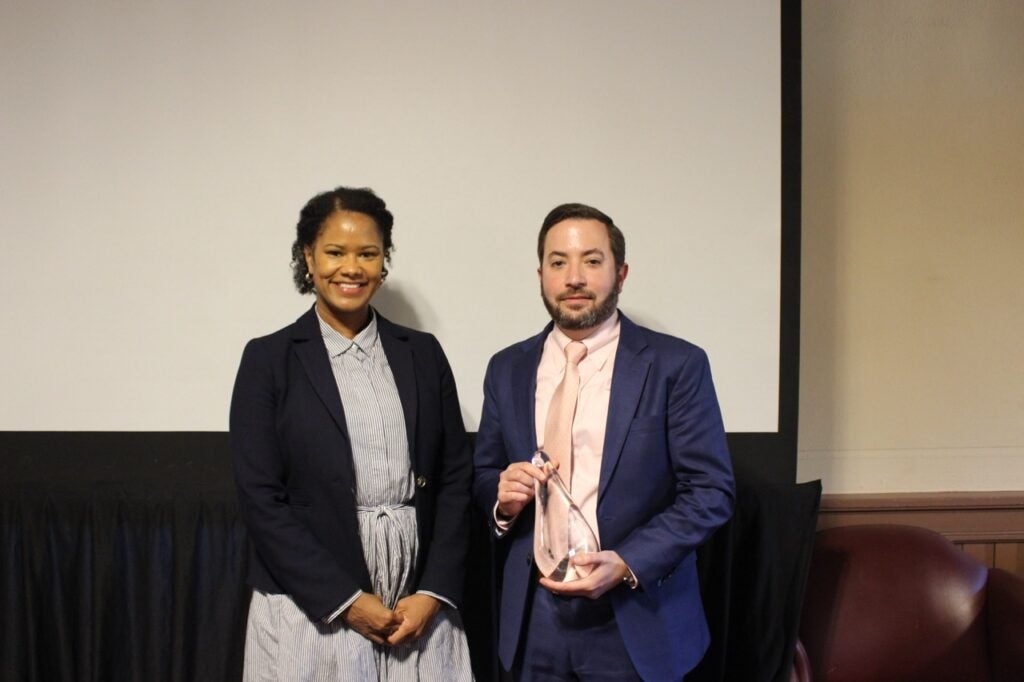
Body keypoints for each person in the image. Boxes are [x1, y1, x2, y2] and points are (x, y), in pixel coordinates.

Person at [473, 203, 735, 681]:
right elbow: (485, 475)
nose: (574, 277)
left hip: (638, 617)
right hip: (534, 622)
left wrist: (629, 562)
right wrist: (503, 501)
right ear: (540, 275)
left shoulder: (676, 365)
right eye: (558, 262)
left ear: (621, 273)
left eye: (592, 261)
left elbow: (710, 491)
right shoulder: (506, 368)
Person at [230, 186, 474, 681]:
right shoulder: (269, 360)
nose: (352, 268)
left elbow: (455, 480)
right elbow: (261, 498)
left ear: (384, 261)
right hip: (311, 606)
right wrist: (344, 600)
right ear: (308, 257)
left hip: (416, 606)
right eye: (335, 252)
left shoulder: (422, 354)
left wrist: (433, 592)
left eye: (368, 253)